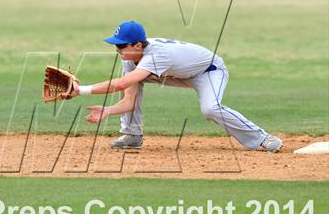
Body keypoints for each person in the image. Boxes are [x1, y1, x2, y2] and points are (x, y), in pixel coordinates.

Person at [72, 21, 283, 152]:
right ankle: (132, 135)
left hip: (208, 71)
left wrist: (81, 90)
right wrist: (108, 110)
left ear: (137, 45)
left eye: (120, 45)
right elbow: (129, 99)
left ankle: (262, 138)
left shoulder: (156, 55)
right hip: (176, 73)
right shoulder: (130, 57)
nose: (117, 50)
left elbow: (122, 83)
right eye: (115, 45)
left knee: (210, 109)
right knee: (136, 81)